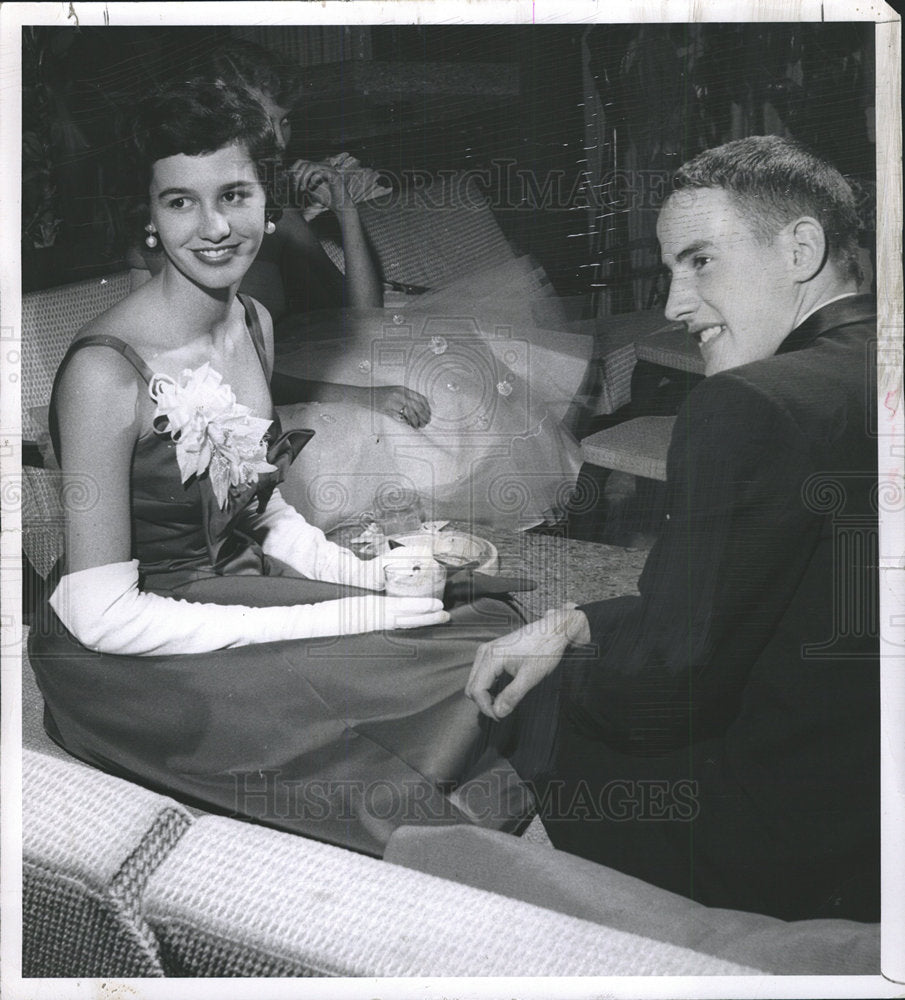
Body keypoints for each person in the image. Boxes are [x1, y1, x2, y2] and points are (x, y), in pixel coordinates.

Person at [26, 78, 535, 858]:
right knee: (409, 672)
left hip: (234, 587)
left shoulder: (254, 323)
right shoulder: (105, 372)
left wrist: (371, 578)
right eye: (180, 202)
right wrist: (346, 614)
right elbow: (100, 614)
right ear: (149, 220)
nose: (214, 227)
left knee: (473, 622)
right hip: (130, 651)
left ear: (269, 203)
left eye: (233, 194)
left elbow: (262, 513)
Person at [466, 136, 879, 921]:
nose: (673, 306)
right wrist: (577, 616)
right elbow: (785, 602)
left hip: (787, 850)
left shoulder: (751, 406)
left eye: (699, 262)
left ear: (800, 248)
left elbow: (663, 683)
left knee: (526, 702)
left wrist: (565, 667)